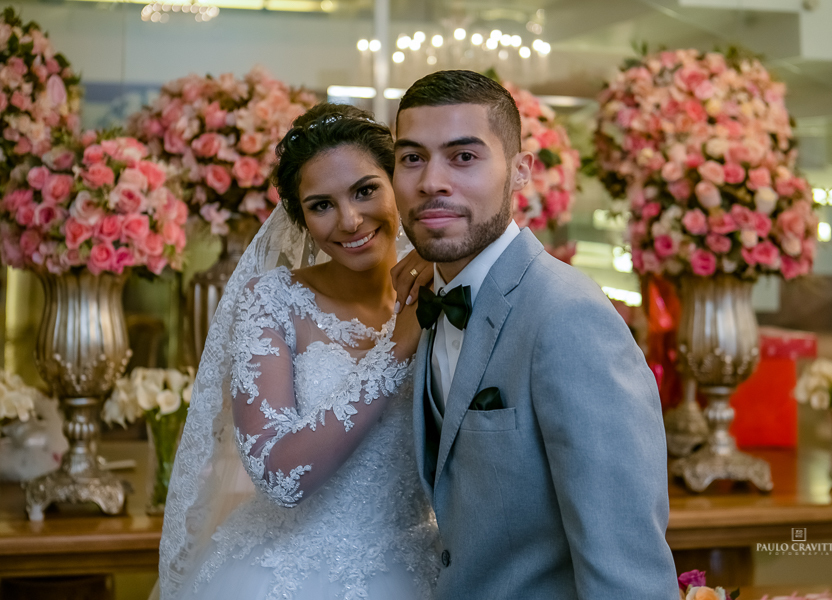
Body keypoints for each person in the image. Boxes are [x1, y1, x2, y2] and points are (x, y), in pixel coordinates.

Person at [392, 70, 679, 599]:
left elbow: (626, 569)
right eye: (412, 158)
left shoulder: (568, 317)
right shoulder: (420, 303)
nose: (432, 180)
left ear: (521, 171)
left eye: (463, 157)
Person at [156, 103, 440, 600]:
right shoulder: (274, 303)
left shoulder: (445, 284)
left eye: (366, 190)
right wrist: (397, 347)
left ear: (399, 182)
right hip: (290, 577)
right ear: (300, 218)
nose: (350, 220)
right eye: (321, 205)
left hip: (427, 566)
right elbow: (280, 476)